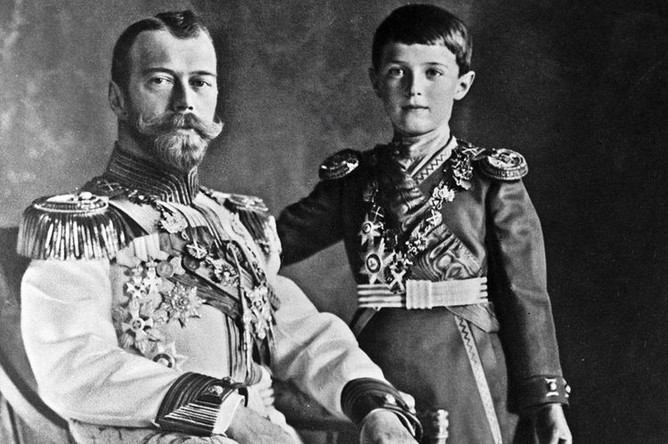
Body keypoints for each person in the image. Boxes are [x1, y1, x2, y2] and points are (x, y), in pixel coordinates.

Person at [16, 10, 422, 444]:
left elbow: (302, 333)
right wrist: (228, 415)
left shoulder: (236, 222)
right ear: (118, 99)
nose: (184, 102)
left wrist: (373, 405)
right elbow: (73, 366)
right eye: (160, 81)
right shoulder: (80, 225)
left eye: (200, 82)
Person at [277, 4, 572, 444]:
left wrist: (548, 404)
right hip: (376, 368)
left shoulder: (489, 181)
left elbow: (526, 296)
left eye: (433, 73)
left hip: (467, 370)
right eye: (398, 72)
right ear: (376, 81)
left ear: (462, 84)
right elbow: (267, 245)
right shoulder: (354, 181)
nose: (415, 88)